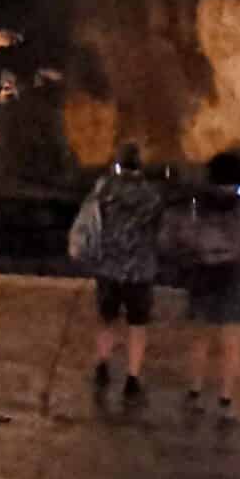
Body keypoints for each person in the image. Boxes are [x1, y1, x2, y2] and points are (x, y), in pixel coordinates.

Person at [69, 143, 165, 404]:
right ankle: (132, 378)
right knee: (137, 324)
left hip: (108, 267)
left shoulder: (105, 189)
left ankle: (102, 365)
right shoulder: (151, 195)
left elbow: (91, 220)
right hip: (140, 270)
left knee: (106, 319)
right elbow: (159, 229)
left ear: (118, 164)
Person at [178, 152, 240, 418]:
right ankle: (225, 399)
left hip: (203, 273)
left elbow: (186, 235)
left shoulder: (199, 202)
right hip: (233, 275)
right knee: (232, 342)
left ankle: (194, 392)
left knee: (200, 338)